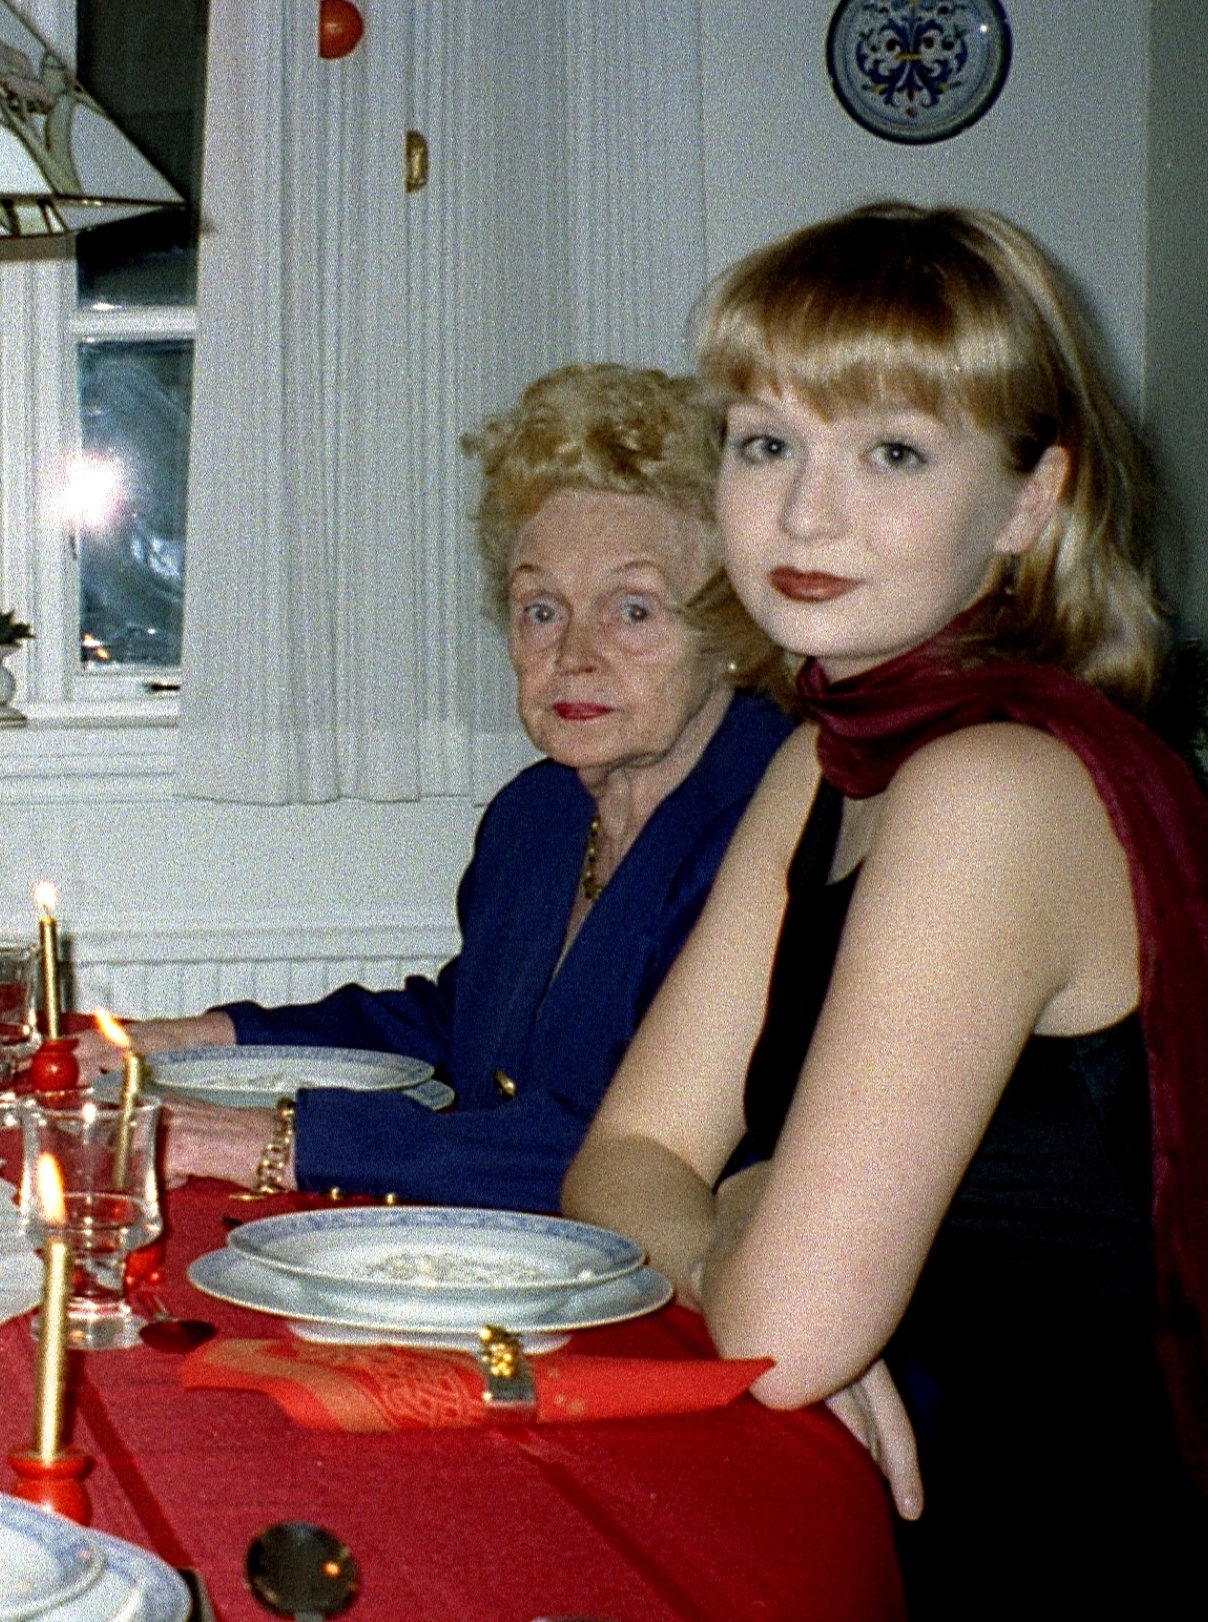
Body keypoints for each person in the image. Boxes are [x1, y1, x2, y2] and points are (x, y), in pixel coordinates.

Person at [560, 205, 1208, 1622]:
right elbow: (619, 1162)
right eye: (765, 442)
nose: (806, 512)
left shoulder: (994, 787)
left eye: (892, 454)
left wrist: (744, 1209)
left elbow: (777, 1319)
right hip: (898, 1529)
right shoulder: (827, 755)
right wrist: (752, 1242)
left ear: (1033, 496)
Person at [89, 366, 791, 1210]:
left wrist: (278, 1142)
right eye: (541, 610)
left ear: (731, 628)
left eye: (632, 610)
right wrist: (192, 1042)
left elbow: (638, 1152)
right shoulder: (539, 815)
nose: (574, 655)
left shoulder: (774, 829)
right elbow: (461, 1031)